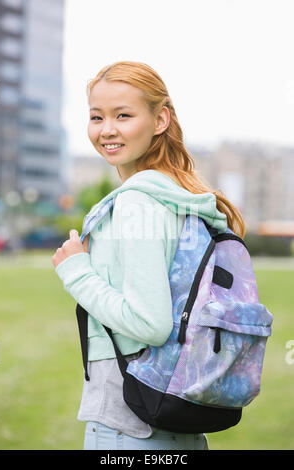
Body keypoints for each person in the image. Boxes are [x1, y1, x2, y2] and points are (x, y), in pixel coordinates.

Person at [52, 61, 246, 450]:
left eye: (123, 115)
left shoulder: (137, 203)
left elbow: (150, 323)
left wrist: (76, 270)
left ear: (160, 120)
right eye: (96, 116)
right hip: (180, 419)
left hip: (130, 428)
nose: (107, 129)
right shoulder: (180, 199)